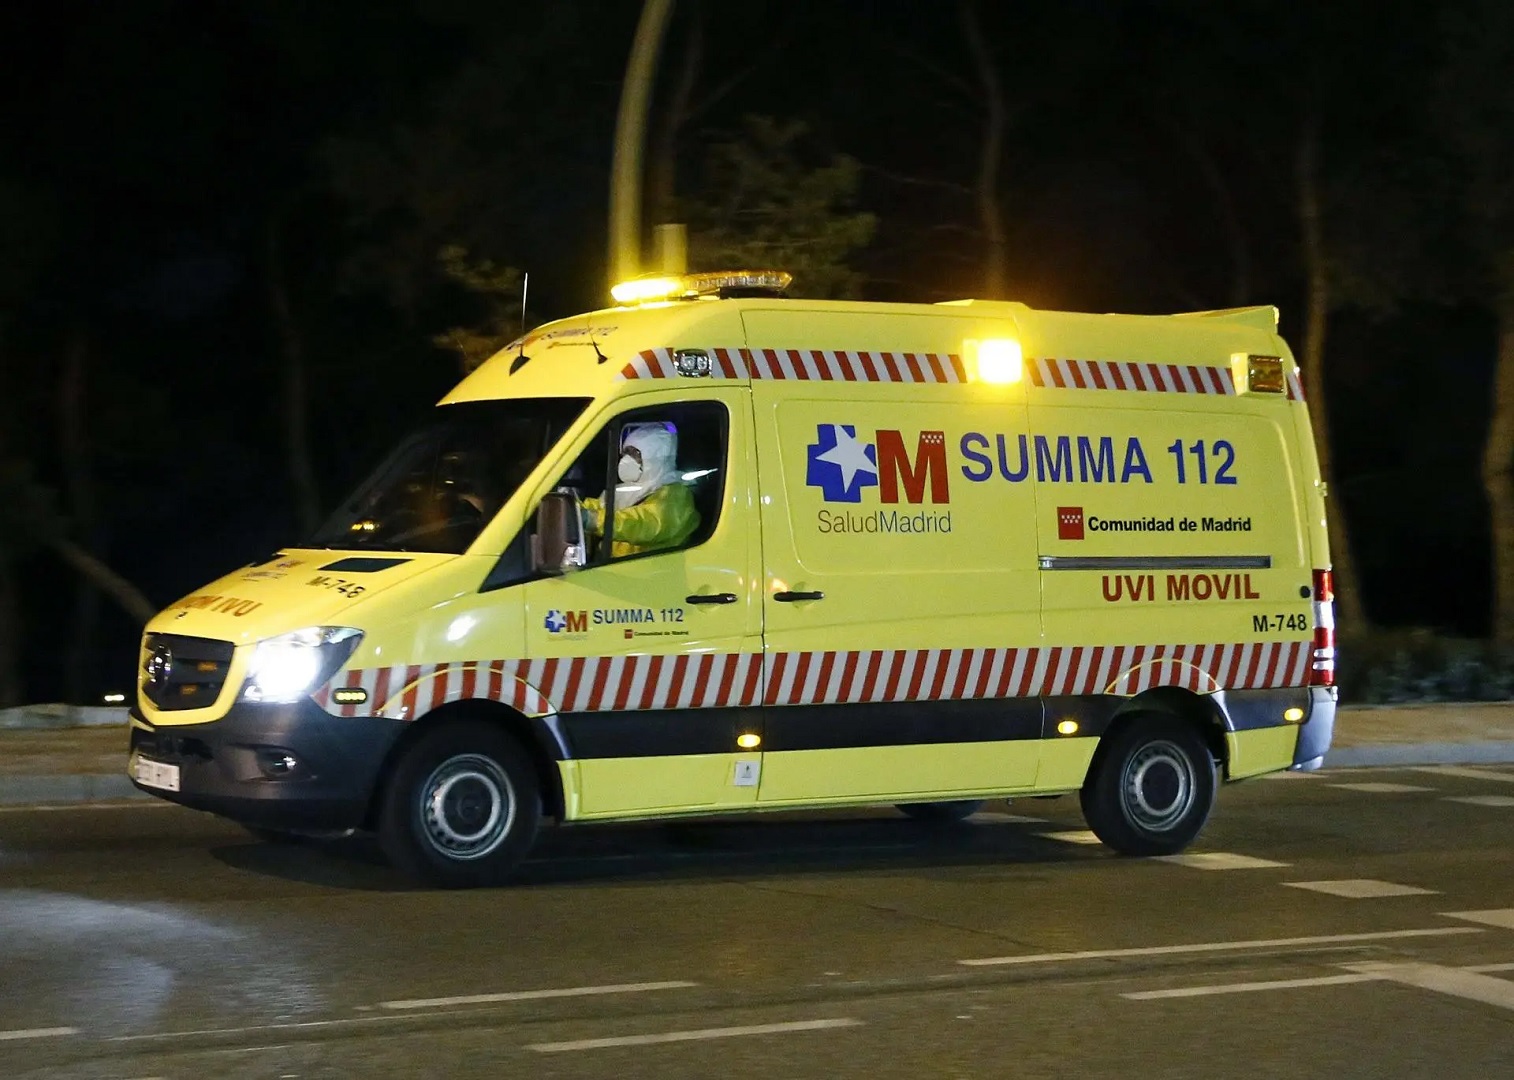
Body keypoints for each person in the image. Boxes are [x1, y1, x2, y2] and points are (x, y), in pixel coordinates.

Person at [583, 422, 701, 558]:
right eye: (626, 452)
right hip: (616, 566)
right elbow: (601, 506)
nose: (627, 460)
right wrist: (570, 507)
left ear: (655, 458)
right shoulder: (629, 490)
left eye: (635, 454)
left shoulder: (676, 494)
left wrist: (593, 520)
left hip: (649, 573)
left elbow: (644, 524)